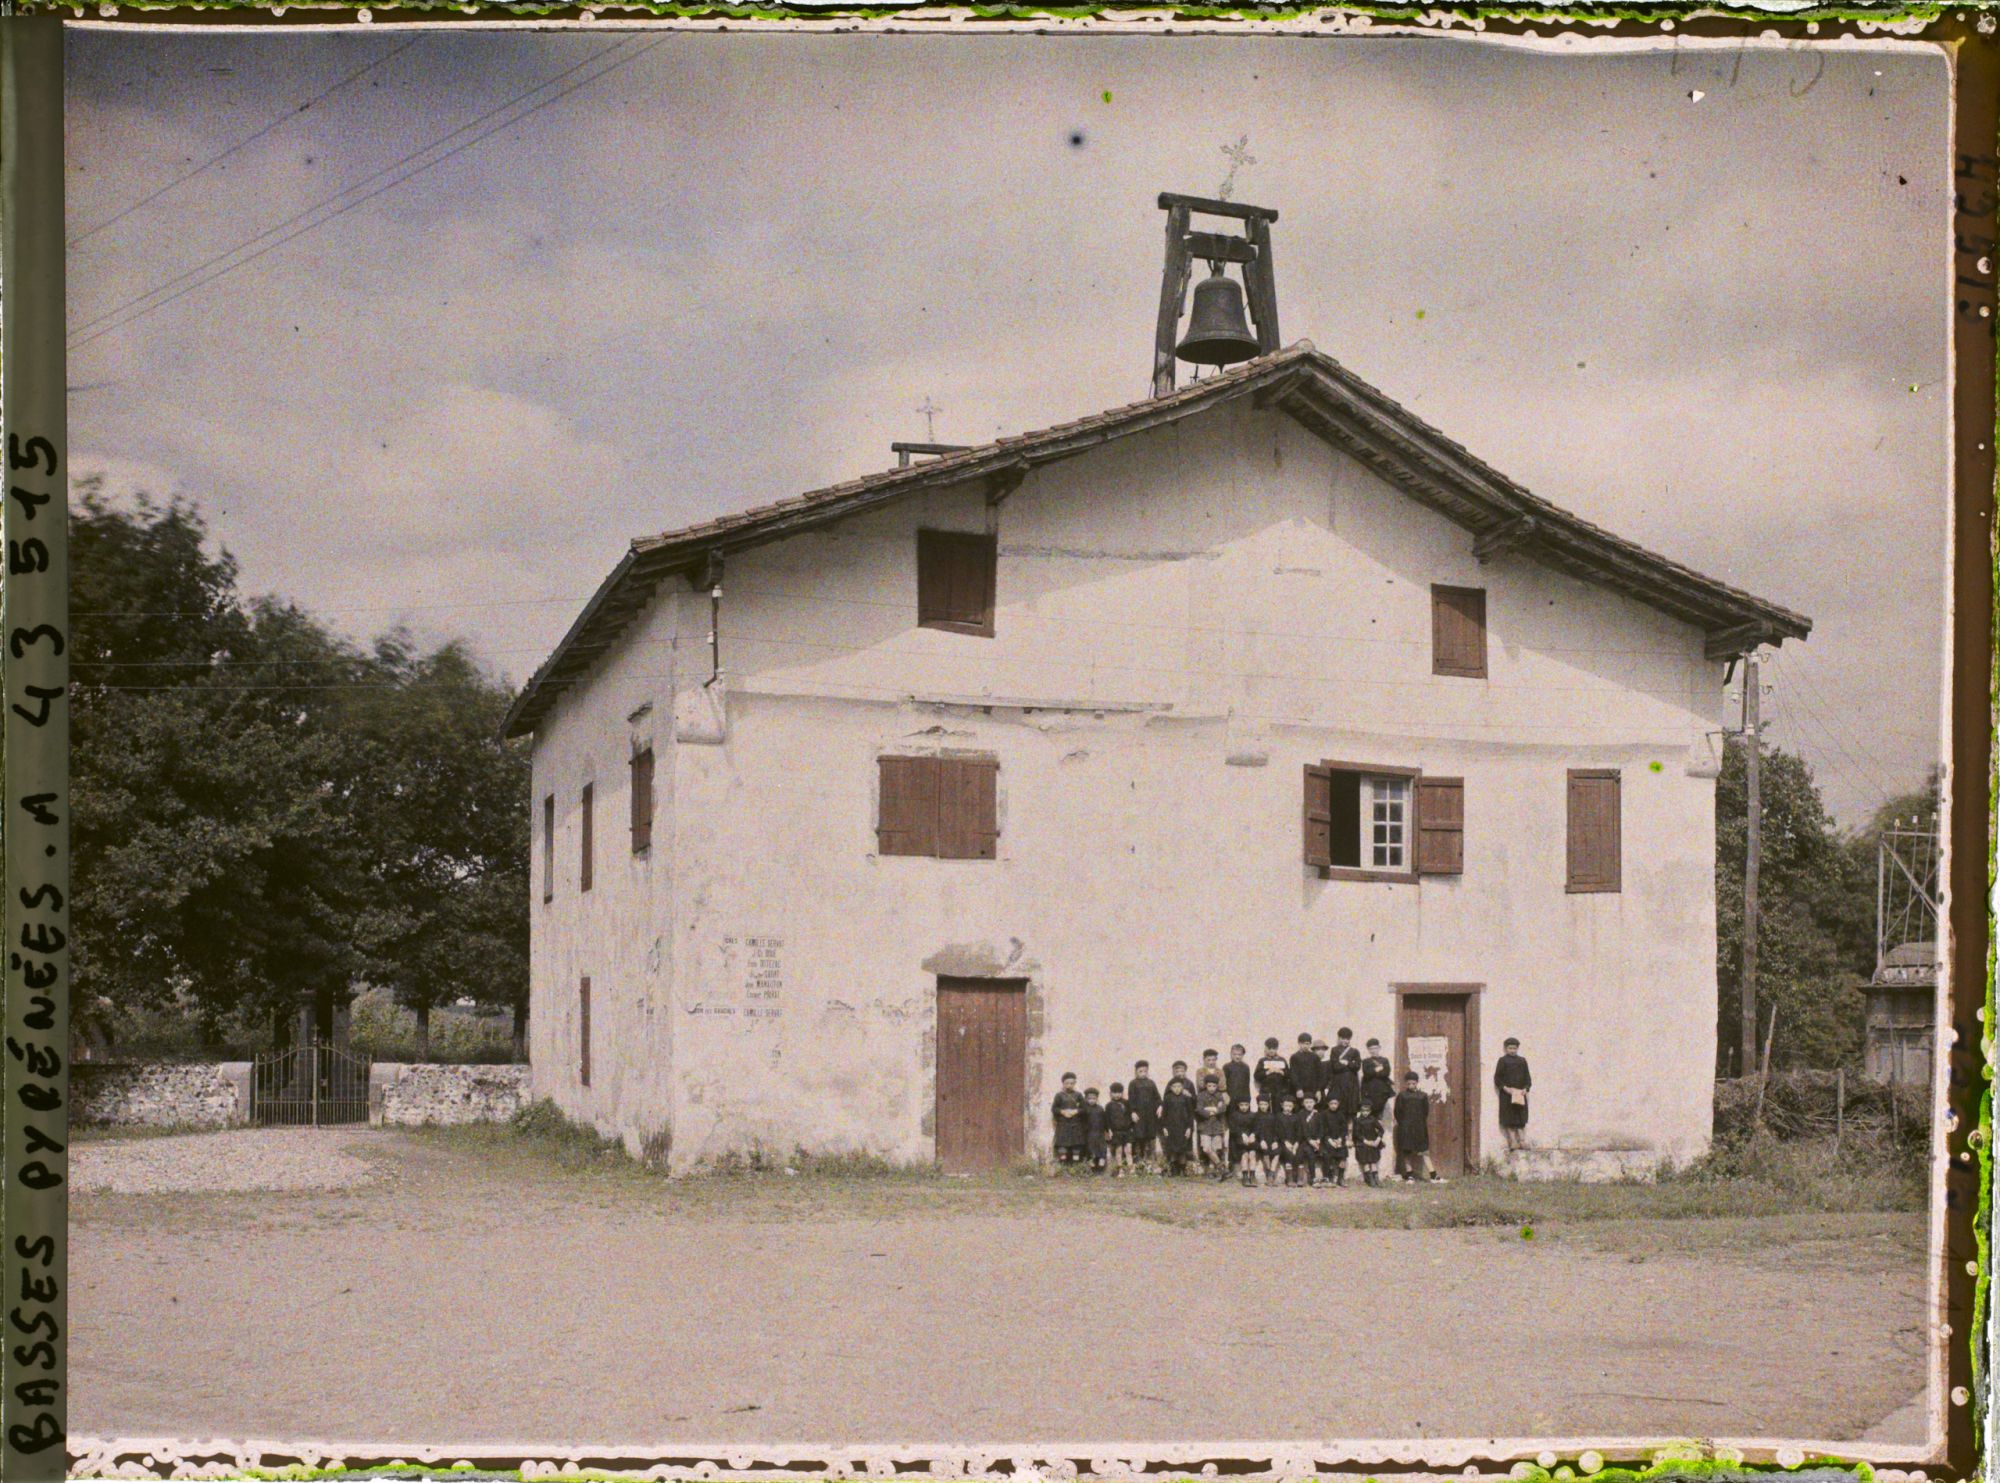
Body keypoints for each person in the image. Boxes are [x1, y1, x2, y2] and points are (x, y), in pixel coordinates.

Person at [1392, 1070, 1440, 1182]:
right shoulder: (1402, 1096)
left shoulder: (1422, 1096)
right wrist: (1404, 1123)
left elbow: (1425, 1112)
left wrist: (1418, 1122)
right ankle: (1409, 1175)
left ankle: (1433, 1175)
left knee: (1424, 1151)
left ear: (1417, 1083)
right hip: (1406, 1128)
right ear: (1406, 1084)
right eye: (1408, 1083)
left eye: (1413, 1083)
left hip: (1419, 1127)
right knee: (1407, 1151)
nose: (1411, 1085)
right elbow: (1397, 1112)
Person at [1494, 1036, 1532, 1151]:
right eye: (1510, 1048)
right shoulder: (1502, 1061)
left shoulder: (1522, 1061)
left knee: (1520, 1119)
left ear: (1517, 1048)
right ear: (1506, 1049)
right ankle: (1513, 1142)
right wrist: (1505, 1088)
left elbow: (1527, 1078)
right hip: (1507, 1095)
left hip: (1520, 1094)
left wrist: (1526, 1088)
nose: (1512, 1050)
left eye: (1514, 1048)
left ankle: (1522, 1141)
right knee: (1509, 1119)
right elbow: (1497, 1078)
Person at [1160, 1061, 1197, 1176]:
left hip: (1183, 1126)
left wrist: (1189, 1128)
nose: (1177, 1089)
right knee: (1172, 1148)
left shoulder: (1186, 1096)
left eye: (1179, 1086)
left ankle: (1183, 1168)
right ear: (1171, 1087)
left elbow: (1191, 1113)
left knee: (1183, 1148)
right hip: (1171, 1127)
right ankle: (1173, 1168)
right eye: (1174, 1087)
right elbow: (1164, 1114)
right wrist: (1164, 1127)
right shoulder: (1168, 1098)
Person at [1196, 1070, 1230, 1176]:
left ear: (1217, 1086)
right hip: (1205, 1126)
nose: (1211, 1088)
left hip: (1217, 1126)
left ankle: (1212, 1170)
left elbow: (1223, 1108)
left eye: (1214, 1086)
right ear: (1206, 1085)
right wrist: (1214, 1110)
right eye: (1209, 1086)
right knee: (1206, 1148)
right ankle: (1222, 1167)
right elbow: (1199, 1110)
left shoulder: (1219, 1096)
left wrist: (1211, 1109)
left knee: (1215, 1148)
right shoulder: (1201, 1096)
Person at [1128, 1060, 1161, 1168]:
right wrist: (1132, 1112)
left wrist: (1160, 1106)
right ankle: (1138, 1162)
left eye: (1145, 1071)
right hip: (1139, 1115)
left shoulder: (1151, 1083)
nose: (1143, 1073)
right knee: (1139, 1137)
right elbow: (1131, 1100)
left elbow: (1157, 1098)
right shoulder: (1133, 1084)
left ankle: (1150, 1162)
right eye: (1140, 1071)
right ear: (1136, 1072)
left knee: (1150, 1137)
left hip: (1150, 1116)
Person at [1328, 1028, 1363, 1123]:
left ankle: (1352, 1133)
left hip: (1351, 1083)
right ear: (1339, 1038)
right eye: (1343, 1038)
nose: (1345, 1041)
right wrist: (1349, 1064)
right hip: (1339, 1082)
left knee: (1351, 1107)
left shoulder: (1355, 1051)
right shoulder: (1334, 1050)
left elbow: (1357, 1066)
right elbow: (1335, 1066)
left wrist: (1347, 1063)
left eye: (1347, 1039)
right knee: (1340, 1107)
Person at [1051, 1073, 1087, 1167]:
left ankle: (1075, 1168)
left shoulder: (1078, 1095)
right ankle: (1063, 1168)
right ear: (1063, 1083)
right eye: (1067, 1083)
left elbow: (1084, 1109)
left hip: (1076, 1125)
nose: (1069, 1085)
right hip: (1063, 1124)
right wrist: (1063, 1112)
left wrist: (1076, 1111)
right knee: (1063, 1148)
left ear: (1075, 1083)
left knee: (1076, 1147)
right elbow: (1054, 1109)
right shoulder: (1059, 1095)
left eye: (1071, 1083)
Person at [1319, 1083, 1350, 1188]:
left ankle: (1341, 1177)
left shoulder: (1341, 1114)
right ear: (1328, 1104)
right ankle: (1329, 1176)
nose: (1333, 1106)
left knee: (1343, 1155)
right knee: (1328, 1155)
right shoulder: (1324, 1114)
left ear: (1338, 1104)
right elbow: (1322, 1130)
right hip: (1327, 1140)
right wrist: (1330, 1140)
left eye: (1335, 1104)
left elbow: (1344, 1129)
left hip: (1339, 1140)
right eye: (1331, 1103)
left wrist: (1340, 1139)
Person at [1359, 1038, 1395, 1118]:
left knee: (1380, 1115)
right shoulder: (1366, 1061)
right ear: (1368, 1050)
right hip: (1370, 1092)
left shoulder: (1384, 1060)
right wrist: (1378, 1069)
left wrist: (1373, 1071)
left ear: (1379, 1048)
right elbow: (1367, 1073)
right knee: (1369, 1114)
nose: (1373, 1051)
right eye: (1371, 1049)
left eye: (1375, 1048)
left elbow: (1386, 1073)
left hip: (1382, 1092)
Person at [1352, 1102, 1385, 1187]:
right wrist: (1365, 1141)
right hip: (1362, 1142)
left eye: (1367, 1111)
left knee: (1373, 1161)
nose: (1365, 1113)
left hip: (1373, 1141)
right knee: (1365, 1160)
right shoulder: (1357, 1120)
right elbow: (1356, 1133)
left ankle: (1376, 1178)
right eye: (1363, 1111)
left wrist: (1378, 1139)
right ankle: (1369, 1179)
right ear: (1360, 1111)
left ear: (1370, 1111)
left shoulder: (1373, 1119)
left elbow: (1381, 1130)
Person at [1229, 1096, 1261, 1186]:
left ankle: (1253, 1175)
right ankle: (1245, 1176)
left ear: (1249, 1105)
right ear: (1238, 1105)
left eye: (1246, 1105)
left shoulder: (1252, 1115)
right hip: (1239, 1140)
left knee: (1252, 1154)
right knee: (1245, 1155)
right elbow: (1233, 1129)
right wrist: (1242, 1134)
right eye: (1241, 1105)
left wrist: (1253, 1134)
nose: (1244, 1107)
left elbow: (1257, 1127)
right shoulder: (1234, 1115)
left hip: (1251, 1138)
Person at [1254, 1092, 1284, 1186]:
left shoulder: (1272, 1116)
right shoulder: (1256, 1116)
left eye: (1265, 1104)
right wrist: (1262, 1140)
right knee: (1265, 1151)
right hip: (1260, 1140)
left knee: (1277, 1151)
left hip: (1271, 1138)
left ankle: (1271, 1172)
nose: (1263, 1106)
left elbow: (1276, 1130)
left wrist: (1275, 1141)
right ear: (1258, 1104)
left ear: (1268, 1105)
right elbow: (1256, 1130)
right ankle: (1268, 1171)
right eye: (1261, 1104)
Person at [1105, 1081, 1135, 1176]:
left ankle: (1131, 1169)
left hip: (1127, 1131)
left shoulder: (1126, 1103)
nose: (1117, 1095)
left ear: (1122, 1093)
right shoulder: (1109, 1105)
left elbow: (1131, 1115)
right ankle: (1120, 1169)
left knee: (1129, 1150)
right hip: (1116, 1132)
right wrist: (1109, 1130)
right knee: (1119, 1150)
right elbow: (1107, 1119)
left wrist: (1131, 1127)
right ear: (1110, 1093)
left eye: (1119, 1092)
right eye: (1114, 1092)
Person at [1296, 1091, 1324, 1186]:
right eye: (1306, 1102)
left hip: (1315, 1141)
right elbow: (1303, 1128)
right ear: (1303, 1104)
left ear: (1314, 1103)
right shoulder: (1301, 1114)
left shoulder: (1317, 1115)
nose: (1309, 1104)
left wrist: (1319, 1139)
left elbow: (1321, 1128)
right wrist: (1309, 1140)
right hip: (1304, 1140)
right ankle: (1300, 1178)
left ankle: (1313, 1177)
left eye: (1311, 1102)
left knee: (1311, 1154)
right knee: (1301, 1153)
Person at [1277, 1093, 1305, 1186]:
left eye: (1290, 1106)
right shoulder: (1279, 1117)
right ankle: (1290, 1178)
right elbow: (1279, 1132)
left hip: (1295, 1142)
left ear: (1293, 1106)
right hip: (1284, 1142)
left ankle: (1299, 1178)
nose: (1288, 1108)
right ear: (1282, 1105)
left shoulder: (1296, 1117)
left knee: (1300, 1152)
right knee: (1288, 1154)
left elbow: (1299, 1131)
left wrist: (1296, 1144)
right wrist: (1286, 1143)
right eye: (1286, 1105)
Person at [1288, 1033, 1323, 1105]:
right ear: (1299, 1044)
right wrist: (1298, 1088)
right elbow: (1293, 1074)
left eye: (1307, 1044)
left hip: (1312, 1089)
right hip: (1301, 1090)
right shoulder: (1295, 1057)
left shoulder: (1314, 1057)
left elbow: (1319, 1074)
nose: (1305, 1046)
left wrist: (1318, 1090)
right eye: (1303, 1044)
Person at [1255, 1037, 1291, 1104]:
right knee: (1268, 1111)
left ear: (1277, 1049)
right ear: (1266, 1048)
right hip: (1266, 1091)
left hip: (1280, 1092)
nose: (1271, 1051)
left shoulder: (1282, 1060)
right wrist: (1267, 1072)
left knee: (1279, 1110)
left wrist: (1282, 1072)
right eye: (1269, 1048)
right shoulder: (1262, 1060)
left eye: (1274, 1048)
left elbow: (1289, 1074)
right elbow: (1256, 1076)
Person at [1084, 1086, 1108, 1173]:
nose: (1091, 1100)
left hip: (1099, 1133)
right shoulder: (1084, 1109)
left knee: (1101, 1150)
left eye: (1094, 1098)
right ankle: (1092, 1169)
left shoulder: (1100, 1109)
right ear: (1086, 1099)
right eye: (1089, 1098)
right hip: (1089, 1133)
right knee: (1090, 1150)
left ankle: (1101, 1168)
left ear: (1097, 1098)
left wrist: (1106, 1131)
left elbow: (1105, 1120)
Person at [1223, 1043, 1253, 1111]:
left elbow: (1246, 1084)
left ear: (1242, 1055)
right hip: (1231, 1096)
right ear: (1231, 1054)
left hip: (1242, 1098)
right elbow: (1223, 1083)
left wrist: (1248, 1099)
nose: (1237, 1056)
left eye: (1239, 1054)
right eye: (1234, 1054)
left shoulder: (1246, 1067)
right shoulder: (1227, 1067)